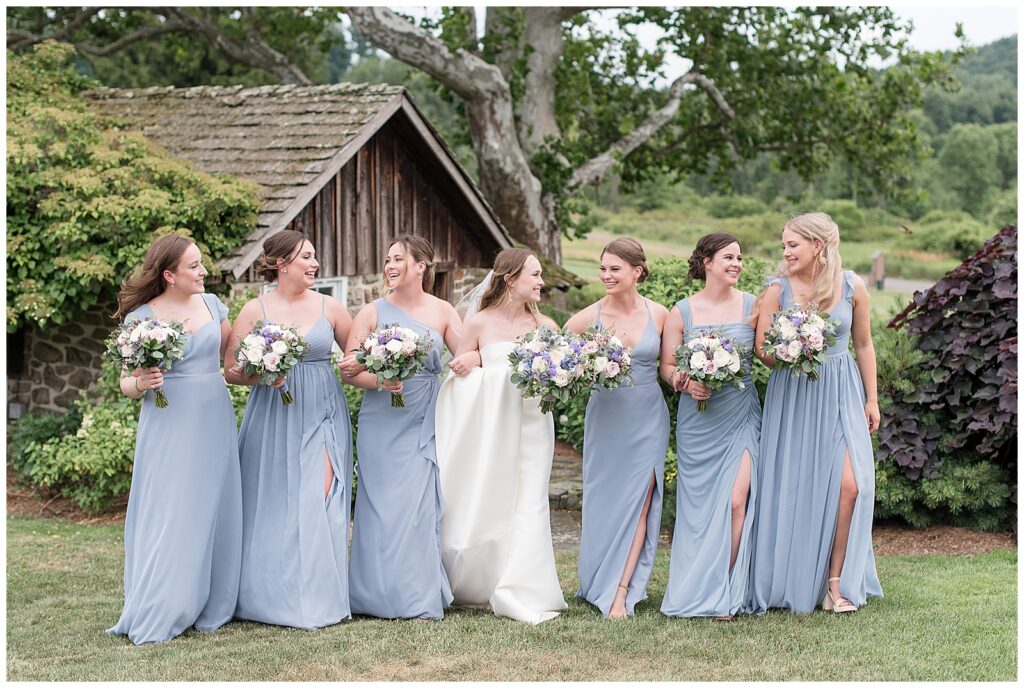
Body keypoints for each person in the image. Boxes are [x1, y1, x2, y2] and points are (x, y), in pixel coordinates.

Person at [107, 234, 241, 644]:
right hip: (168, 420)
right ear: (169, 275)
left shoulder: (213, 305)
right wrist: (140, 381)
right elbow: (125, 382)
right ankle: (164, 601)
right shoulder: (141, 318)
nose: (203, 272)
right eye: (194, 266)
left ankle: (212, 597)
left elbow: (232, 360)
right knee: (171, 506)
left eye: (201, 264)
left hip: (214, 415)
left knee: (211, 501)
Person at [748, 212, 883, 614]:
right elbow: (763, 352)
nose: (785, 252)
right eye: (784, 245)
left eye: (793, 244)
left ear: (818, 246)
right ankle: (793, 577)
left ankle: (835, 582)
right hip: (794, 395)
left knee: (851, 485)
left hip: (842, 392)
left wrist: (871, 399)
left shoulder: (853, 285)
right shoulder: (778, 290)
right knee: (796, 484)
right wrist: (791, 349)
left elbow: (863, 345)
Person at [225, 230, 355, 629]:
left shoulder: (330, 306)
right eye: (307, 257)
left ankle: (317, 598)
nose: (314, 264)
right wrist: (262, 374)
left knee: (320, 495)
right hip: (272, 415)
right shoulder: (254, 309)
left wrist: (376, 367)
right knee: (275, 500)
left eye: (314, 256)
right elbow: (232, 371)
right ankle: (268, 598)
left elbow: (355, 358)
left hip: (323, 412)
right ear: (282, 264)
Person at [434, 247, 568, 624]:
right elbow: (459, 376)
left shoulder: (547, 328)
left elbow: (558, 381)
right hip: (491, 428)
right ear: (511, 280)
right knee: (493, 495)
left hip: (533, 425)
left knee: (530, 499)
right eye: (535, 275)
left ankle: (524, 586)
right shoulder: (478, 323)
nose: (542, 281)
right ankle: (484, 580)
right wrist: (476, 360)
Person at [340, 235, 464, 619]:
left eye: (398, 259)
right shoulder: (371, 312)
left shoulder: (443, 311)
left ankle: (416, 593)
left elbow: (466, 354)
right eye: (388, 259)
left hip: (425, 416)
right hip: (381, 419)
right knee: (380, 505)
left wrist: (479, 356)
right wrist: (378, 380)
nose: (390, 266)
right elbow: (349, 370)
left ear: (420, 266)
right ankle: (370, 595)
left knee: (417, 506)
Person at [565, 238, 670, 619]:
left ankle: (621, 592)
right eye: (603, 269)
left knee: (640, 501)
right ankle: (596, 581)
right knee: (604, 502)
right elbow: (561, 360)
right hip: (605, 418)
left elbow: (668, 369)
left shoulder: (660, 314)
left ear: (637, 272)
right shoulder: (586, 318)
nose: (607, 276)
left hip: (646, 417)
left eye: (615, 269)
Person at [659, 233, 759, 620]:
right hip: (698, 423)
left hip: (742, 416)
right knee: (699, 510)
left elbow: (766, 352)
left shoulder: (753, 305)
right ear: (707, 262)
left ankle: (728, 592)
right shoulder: (681, 311)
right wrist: (685, 381)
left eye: (739, 257)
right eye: (729, 257)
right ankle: (698, 587)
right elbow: (667, 367)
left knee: (737, 502)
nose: (737, 263)